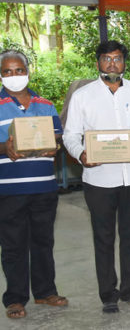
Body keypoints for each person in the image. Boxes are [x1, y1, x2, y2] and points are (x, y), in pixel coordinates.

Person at [63, 41, 130, 313]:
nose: (112, 64)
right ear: (98, 63)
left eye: (117, 59)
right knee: (103, 237)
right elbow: (71, 135)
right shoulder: (83, 96)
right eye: (106, 59)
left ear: (124, 63)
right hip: (98, 180)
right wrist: (82, 154)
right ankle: (108, 293)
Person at [0, 50, 67, 319]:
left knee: (43, 242)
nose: (14, 76)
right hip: (9, 190)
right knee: (14, 245)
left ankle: (45, 292)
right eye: (7, 71)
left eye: (18, 70)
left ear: (28, 71)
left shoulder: (46, 105)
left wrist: (55, 147)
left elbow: (57, 141)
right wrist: (4, 147)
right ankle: (15, 299)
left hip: (44, 188)